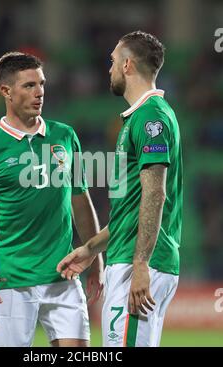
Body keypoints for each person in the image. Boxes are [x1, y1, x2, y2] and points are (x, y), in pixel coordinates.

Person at [0, 52, 103, 347]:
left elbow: (80, 200)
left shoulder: (64, 136)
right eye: (29, 86)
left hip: (63, 274)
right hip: (8, 280)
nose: (39, 93)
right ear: (6, 91)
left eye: (42, 84)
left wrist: (94, 258)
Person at [57, 31, 183, 347]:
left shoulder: (150, 118)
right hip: (131, 259)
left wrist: (141, 264)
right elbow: (134, 210)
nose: (108, 68)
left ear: (127, 65)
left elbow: (156, 194)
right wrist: (91, 248)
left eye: (112, 61)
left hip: (138, 263)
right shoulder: (142, 118)